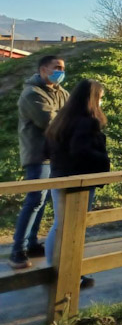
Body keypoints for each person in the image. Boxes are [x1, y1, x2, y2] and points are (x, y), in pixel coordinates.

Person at [44, 79, 110, 288]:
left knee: (59, 225)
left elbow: (47, 150)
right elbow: (81, 150)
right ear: (92, 99)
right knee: (74, 227)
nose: (101, 102)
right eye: (100, 98)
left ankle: (52, 267)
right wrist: (103, 160)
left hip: (59, 176)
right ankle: (69, 273)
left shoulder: (61, 119)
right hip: (79, 179)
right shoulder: (87, 121)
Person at [9, 55, 69, 270]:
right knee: (34, 200)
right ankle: (17, 250)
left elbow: (69, 117)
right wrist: (68, 119)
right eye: (57, 68)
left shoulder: (61, 93)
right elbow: (50, 122)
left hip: (53, 154)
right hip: (37, 155)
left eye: (62, 68)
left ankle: (32, 243)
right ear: (43, 70)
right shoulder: (32, 94)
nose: (61, 72)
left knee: (42, 202)